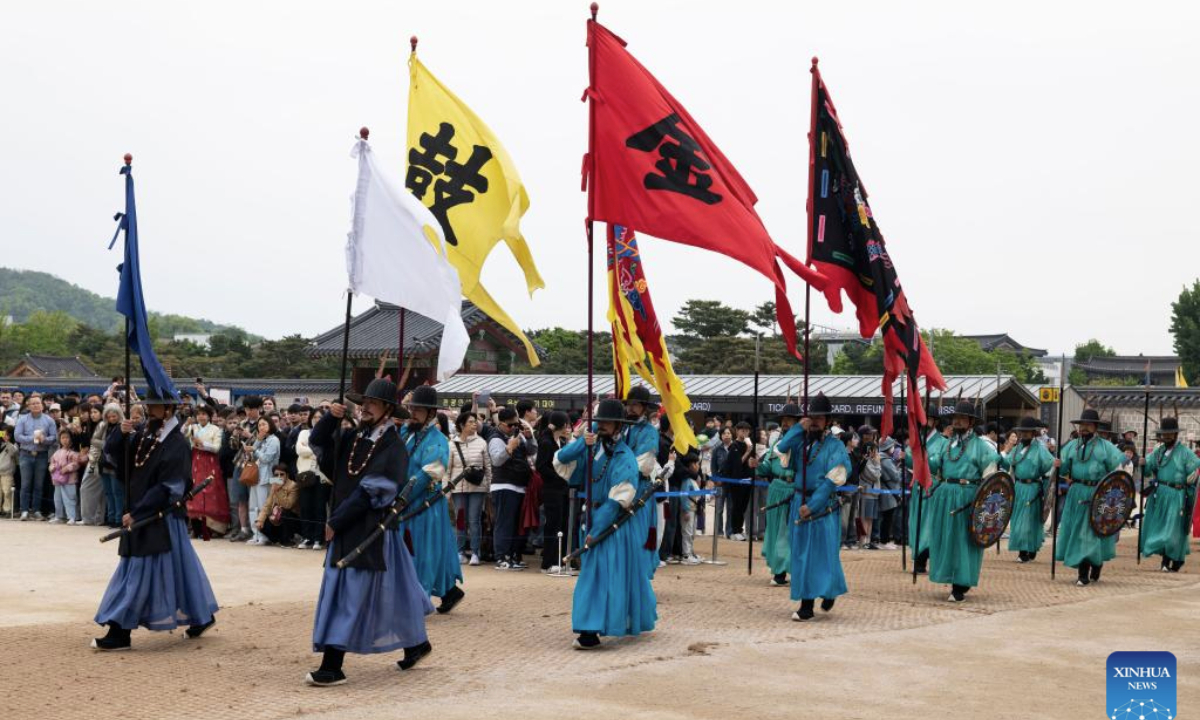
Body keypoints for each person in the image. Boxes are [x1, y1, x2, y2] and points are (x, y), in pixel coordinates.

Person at [305, 378, 433, 686]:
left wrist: (337, 521)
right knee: (395, 592)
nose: (364, 407)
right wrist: (329, 418)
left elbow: (372, 491)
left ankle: (332, 665)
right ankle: (416, 643)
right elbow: (319, 446)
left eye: (371, 403)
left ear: (388, 410)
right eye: (362, 402)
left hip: (369, 529)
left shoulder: (394, 447)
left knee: (348, 595)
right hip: (350, 523)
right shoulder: (353, 436)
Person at [93, 390, 219, 651]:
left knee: (137, 572)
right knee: (180, 568)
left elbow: (169, 486)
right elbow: (119, 463)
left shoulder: (177, 444)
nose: (148, 410)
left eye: (154, 406)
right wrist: (120, 433)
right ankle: (203, 615)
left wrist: (139, 512)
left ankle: (120, 631)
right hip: (141, 510)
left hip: (158, 515)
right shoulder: (144, 435)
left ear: (169, 410)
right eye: (148, 405)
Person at [556, 398, 656, 649]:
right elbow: (561, 460)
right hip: (590, 519)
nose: (602, 426)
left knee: (596, 577)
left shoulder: (625, 457)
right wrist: (582, 443)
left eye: (607, 423)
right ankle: (602, 623)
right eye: (599, 422)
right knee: (601, 575)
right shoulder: (593, 449)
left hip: (613, 525)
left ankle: (589, 631)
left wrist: (596, 530)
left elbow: (617, 500)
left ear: (618, 427)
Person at [775, 392, 851, 621]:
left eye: (820, 417)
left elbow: (832, 479)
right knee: (800, 555)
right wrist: (799, 427)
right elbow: (782, 448)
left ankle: (825, 592)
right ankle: (806, 603)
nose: (816, 420)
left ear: (828, 421)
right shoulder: (799, 441)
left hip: (822, 506)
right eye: (812, 416)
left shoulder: (835, 446)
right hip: (799, 501)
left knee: (823, 554)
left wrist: (814, 504)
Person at [925, 400, 1002, 602]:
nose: (957, 422)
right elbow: (934, 466)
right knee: (946, 539)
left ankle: (961, 583)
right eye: (955, 418)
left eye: (961, 418)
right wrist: (918, 455)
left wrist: (981, 499)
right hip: (944, 496)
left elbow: (990, 472)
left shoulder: (980, 446)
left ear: (970, 421)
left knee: (963, 540)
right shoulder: (947, 444)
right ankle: (951, 577)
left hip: (967, 497)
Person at [399, 385, 464, 614]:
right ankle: (448, 591)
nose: (413, 412)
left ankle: (419, 600)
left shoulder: (438, 440)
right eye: (411, 408)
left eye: (419, 409)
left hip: (423, 505)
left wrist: (404, 495)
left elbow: (429, 472)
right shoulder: (406, 433)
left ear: (431, 413)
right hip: (404, 503)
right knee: (407, 551)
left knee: (422, 552)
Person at [1054, 408, 1125, 586]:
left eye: (1088, 425)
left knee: (1090, 532)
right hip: (1076, 491)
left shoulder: (1106, 447)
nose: (1084, 428)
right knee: (1077, 532)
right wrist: (1058, 465)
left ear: (1095, 427)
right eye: (1081, 425)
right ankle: (1085, 567)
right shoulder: (1071, 445)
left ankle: (1089, 568)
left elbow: (1119, 468)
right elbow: (1063, 471)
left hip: (1097, 493)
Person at [1140, 417, 1200, 572]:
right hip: (1159, 495)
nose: (1166, 437)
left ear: (1175, 434)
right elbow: (1148, 470)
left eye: (1170, 434)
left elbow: (1195, 471)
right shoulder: (1158, 452)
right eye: (1164, 434)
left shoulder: (1185, 453)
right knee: (1159, 526)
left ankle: (1168, 561)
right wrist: (1143, 463)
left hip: (1177, 495)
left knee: (1171, 528)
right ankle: (1171, 558)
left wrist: (1190, 480)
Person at [622, 386, 663, 575]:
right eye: (629, 404)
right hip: (618, 486)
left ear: (645, 408)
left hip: (639, 488)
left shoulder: (650, 432)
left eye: (635, 405)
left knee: (638, 535)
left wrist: (619, 467)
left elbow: (643, 463)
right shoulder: (621, 426)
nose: (630, 408)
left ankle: (638, 575)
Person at [1002, 417, 1055, 563]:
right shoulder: (1017, 448)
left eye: (1027, 432)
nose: (1024, 435)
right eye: (1022, 432)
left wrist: (1045, 489)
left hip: (1033, 488)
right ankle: (1023, 548)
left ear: (1033, 433)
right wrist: (1003, 453)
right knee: (1017, 519)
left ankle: (1027, 550)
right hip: (1018, 487)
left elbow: (1049, 467)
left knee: (1029, 520)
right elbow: (1007, 462)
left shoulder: (1040, 448)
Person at [758, 403, 800, 586]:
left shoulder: (801, 442)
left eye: (789, 420)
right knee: (775, 530)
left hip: (793, 490)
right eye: (783, 420)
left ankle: (788, 570)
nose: (785, 424)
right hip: (775, 488)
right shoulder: (776, 442)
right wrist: (757, 465)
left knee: (788, 531)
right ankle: (778, 570)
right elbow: (768, 465)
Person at [488, 407, 535, 570]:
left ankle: (513, 555)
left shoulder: (519, 436)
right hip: (503, 485)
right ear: (501, 423)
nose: (513, 428)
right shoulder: (495, 438)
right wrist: (509, 447)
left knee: (516, 524)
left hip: (520, 485)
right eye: (510, 425)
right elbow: (496, 460)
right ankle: (501, 556)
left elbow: (532, 451)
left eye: (516, 425)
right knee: (504, 522)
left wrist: (529, 436)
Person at [907, 417, 951, 574]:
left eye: (929, 419)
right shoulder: (916, 438)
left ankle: (924, 557)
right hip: (918, 485)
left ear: (936, 422)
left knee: (929, 524)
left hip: (933, 486)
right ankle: (919, 556)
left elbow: (941, 463)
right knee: (917, 523)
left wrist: (923, 458)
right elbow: (907, 456)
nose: (924, 422)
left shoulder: (943, 442)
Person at [449, 411, 490, 566]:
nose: (475, 424)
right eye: (471, 422)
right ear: (461, 425)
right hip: (457, 487)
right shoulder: (452, 444)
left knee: (474, 520)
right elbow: (448, 468)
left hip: (478, 487)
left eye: (475, 421)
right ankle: (459, 551)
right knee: (460, 520)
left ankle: (475, 552)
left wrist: (489, 487)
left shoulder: (482, 442)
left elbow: (488, 467)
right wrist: (447, 488)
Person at [185, 405, 230, 539]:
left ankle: (211, 528)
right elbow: (181, 434)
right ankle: (196, 527)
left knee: (211, 493)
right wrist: (186, 424)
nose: (201, 417)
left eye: (204, 414)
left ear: (209, 416)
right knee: (195, 493)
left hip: (210, 462)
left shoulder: (216, 429)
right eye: (199, 414)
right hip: (196, 462)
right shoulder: (193, 427)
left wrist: (202, 444)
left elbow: (217, 448)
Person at [537, 410, 573, 572]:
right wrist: (560, 476)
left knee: (562, 523)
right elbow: (541, 467)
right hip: (552, 488)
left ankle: (559, 560)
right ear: (563, 425)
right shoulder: (546, 442)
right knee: (553, 524)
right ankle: (548, 562)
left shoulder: (560, 441)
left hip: (561, 488)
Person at [15, 395, 58, 520]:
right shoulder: (22, 419)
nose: (35, 405)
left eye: (38, 403)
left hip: (42, 455)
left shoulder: (49, 420)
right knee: (25, 484)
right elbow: (17, 436)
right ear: (28, 406)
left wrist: (44, 439)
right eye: (32, 403)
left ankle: (36, 510)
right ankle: (24, 510)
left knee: (39, 484)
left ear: (42, 405)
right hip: (25, 454)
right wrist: (32, 439)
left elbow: (54, 438)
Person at [295, 408, 332, 551]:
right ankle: (307, 537)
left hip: (321, 476)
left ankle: (318, 538)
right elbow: (299, 450)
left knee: (319, 508)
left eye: (320, 417)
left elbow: (324, 453)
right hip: (305, 475)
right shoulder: (304, 432)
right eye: (314, 417)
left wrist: (309, 448)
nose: (317, 419)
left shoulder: (328, 434)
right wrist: (315, 451)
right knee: (305, 507)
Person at [246, 416, 281, 546]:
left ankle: (264, 535)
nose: (261, 427)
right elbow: (251, 455)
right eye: (259, 425)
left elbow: (266, 458)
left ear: (270, 425)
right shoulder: (262, 440)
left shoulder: (274, 440)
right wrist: (257, 442)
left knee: (263, 507)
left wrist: (255, 448)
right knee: (253, 507)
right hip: (256, 476)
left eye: (264, 424)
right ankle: (255, 534)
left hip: (268, 478)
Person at [722, 421, 757, 542]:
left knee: (743, 506)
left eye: (747, 431)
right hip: (736, 481)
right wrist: (748, 451)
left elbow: (750, 463)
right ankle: (734, 530)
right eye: (742, 430)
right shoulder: (734, 446)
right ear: (737, 431)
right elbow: (737, 464)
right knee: (736, 506)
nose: (745, 432)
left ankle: (739, 529)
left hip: (747, 480)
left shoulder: (750, 444)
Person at [49, 429, 84, 524]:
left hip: (70, 479)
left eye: (67, 437)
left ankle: (72, 516)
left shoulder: (74, 452)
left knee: (70, 498)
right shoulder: (57, 452)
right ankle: (59, 515)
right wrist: (52, 467)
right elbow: (52, 462)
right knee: (58, 498)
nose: (65, 440)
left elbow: (76, 464)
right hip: (58, 479)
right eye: (62, 438)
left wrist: (68, 468)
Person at [0, 429, 16, 516]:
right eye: (3, 434)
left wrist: (8, 442)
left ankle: (7, 510)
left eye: (6, 435)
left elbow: (14, 452)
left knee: (7, 491)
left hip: (7, 472)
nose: (4, 436)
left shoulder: (11, 446)